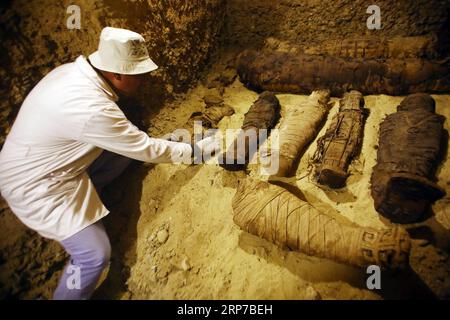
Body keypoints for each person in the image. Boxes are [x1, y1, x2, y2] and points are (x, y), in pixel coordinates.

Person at [0, 27, 218, 299]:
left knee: (125, 150)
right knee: (94, 255)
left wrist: (159, 144)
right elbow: (143, 147)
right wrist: (193, 151)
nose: (146, 80)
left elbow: (132, 142)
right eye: (140, 75)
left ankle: (99, 192)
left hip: (41, 159)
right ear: (117, 74)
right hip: (37, 186)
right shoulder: (93, 109)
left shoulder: (73, 73)